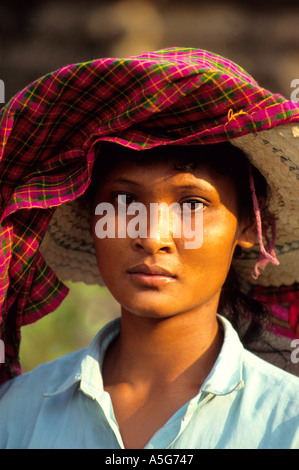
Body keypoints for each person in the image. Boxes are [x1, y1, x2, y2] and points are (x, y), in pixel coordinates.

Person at [0, 47, 298, 449]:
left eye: (192, 205)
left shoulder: (288, 423)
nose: (152, 236)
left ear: (250, 225)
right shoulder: (17, 415)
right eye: (124, 202)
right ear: (93, 218)